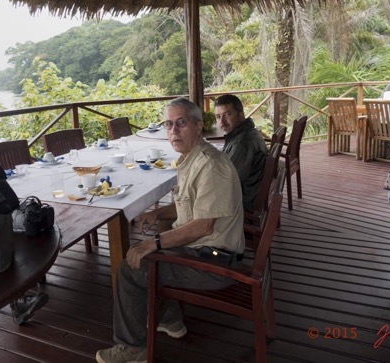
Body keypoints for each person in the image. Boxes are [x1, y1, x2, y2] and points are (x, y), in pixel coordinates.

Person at [96, 98, 244, 363]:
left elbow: (202, 225)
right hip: (205, 250)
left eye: (181, 122)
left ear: (199, 126)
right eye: (168, 124)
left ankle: (132, 348)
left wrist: (151, 243)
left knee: (130, 268)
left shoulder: (211, 166)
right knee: (158, 240)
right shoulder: (192, 158)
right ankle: (171, 320)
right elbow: (188, 208)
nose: (173, 130)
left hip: (215, 262)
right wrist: (157, 213)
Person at [214, 94, 267, 213]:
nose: (222, 121)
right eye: (218, 117)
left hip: (241, 203)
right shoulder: (245, 133)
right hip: (247, 192)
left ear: (241, 115)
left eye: (227, 114)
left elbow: (226, 182)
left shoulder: (243, 143)